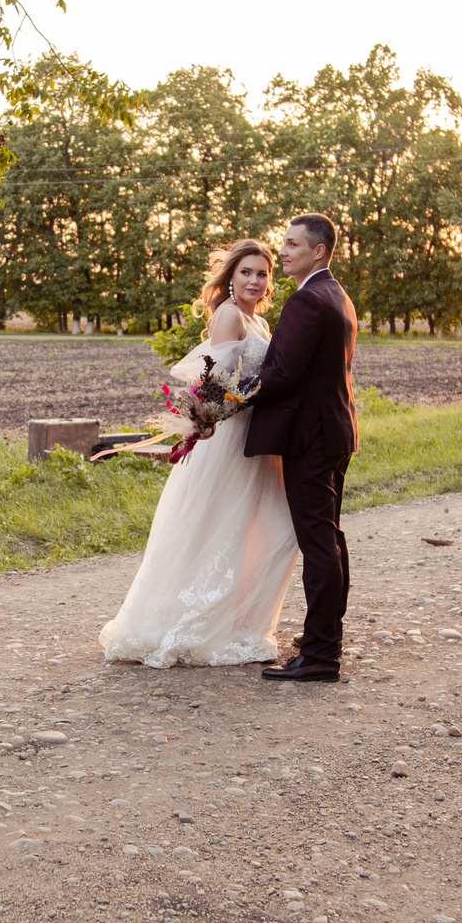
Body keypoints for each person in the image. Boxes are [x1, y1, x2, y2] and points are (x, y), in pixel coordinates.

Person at [98, 240, 299, 668]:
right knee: (219, 524)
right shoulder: (230, 315)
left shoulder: (258, 319)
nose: (255, 280)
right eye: (246, 272)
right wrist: (209, 414)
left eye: (262, 273)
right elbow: (216, 384)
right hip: (231, 436)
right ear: (231, 277)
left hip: (255, 434)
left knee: (256, 528)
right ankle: (196, 626)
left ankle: (236, 622)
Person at [245, 213, 357, 682]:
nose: (284, 251)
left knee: (319, 543)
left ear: (318, 251)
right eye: (284, 243)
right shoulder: (336, 295)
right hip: (333, 431)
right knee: (328, 538)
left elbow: (283, 373)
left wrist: (229, 397)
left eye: (293, 244)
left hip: (312, 437)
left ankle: (320, 655)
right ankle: (324, 638)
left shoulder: (308, 300)